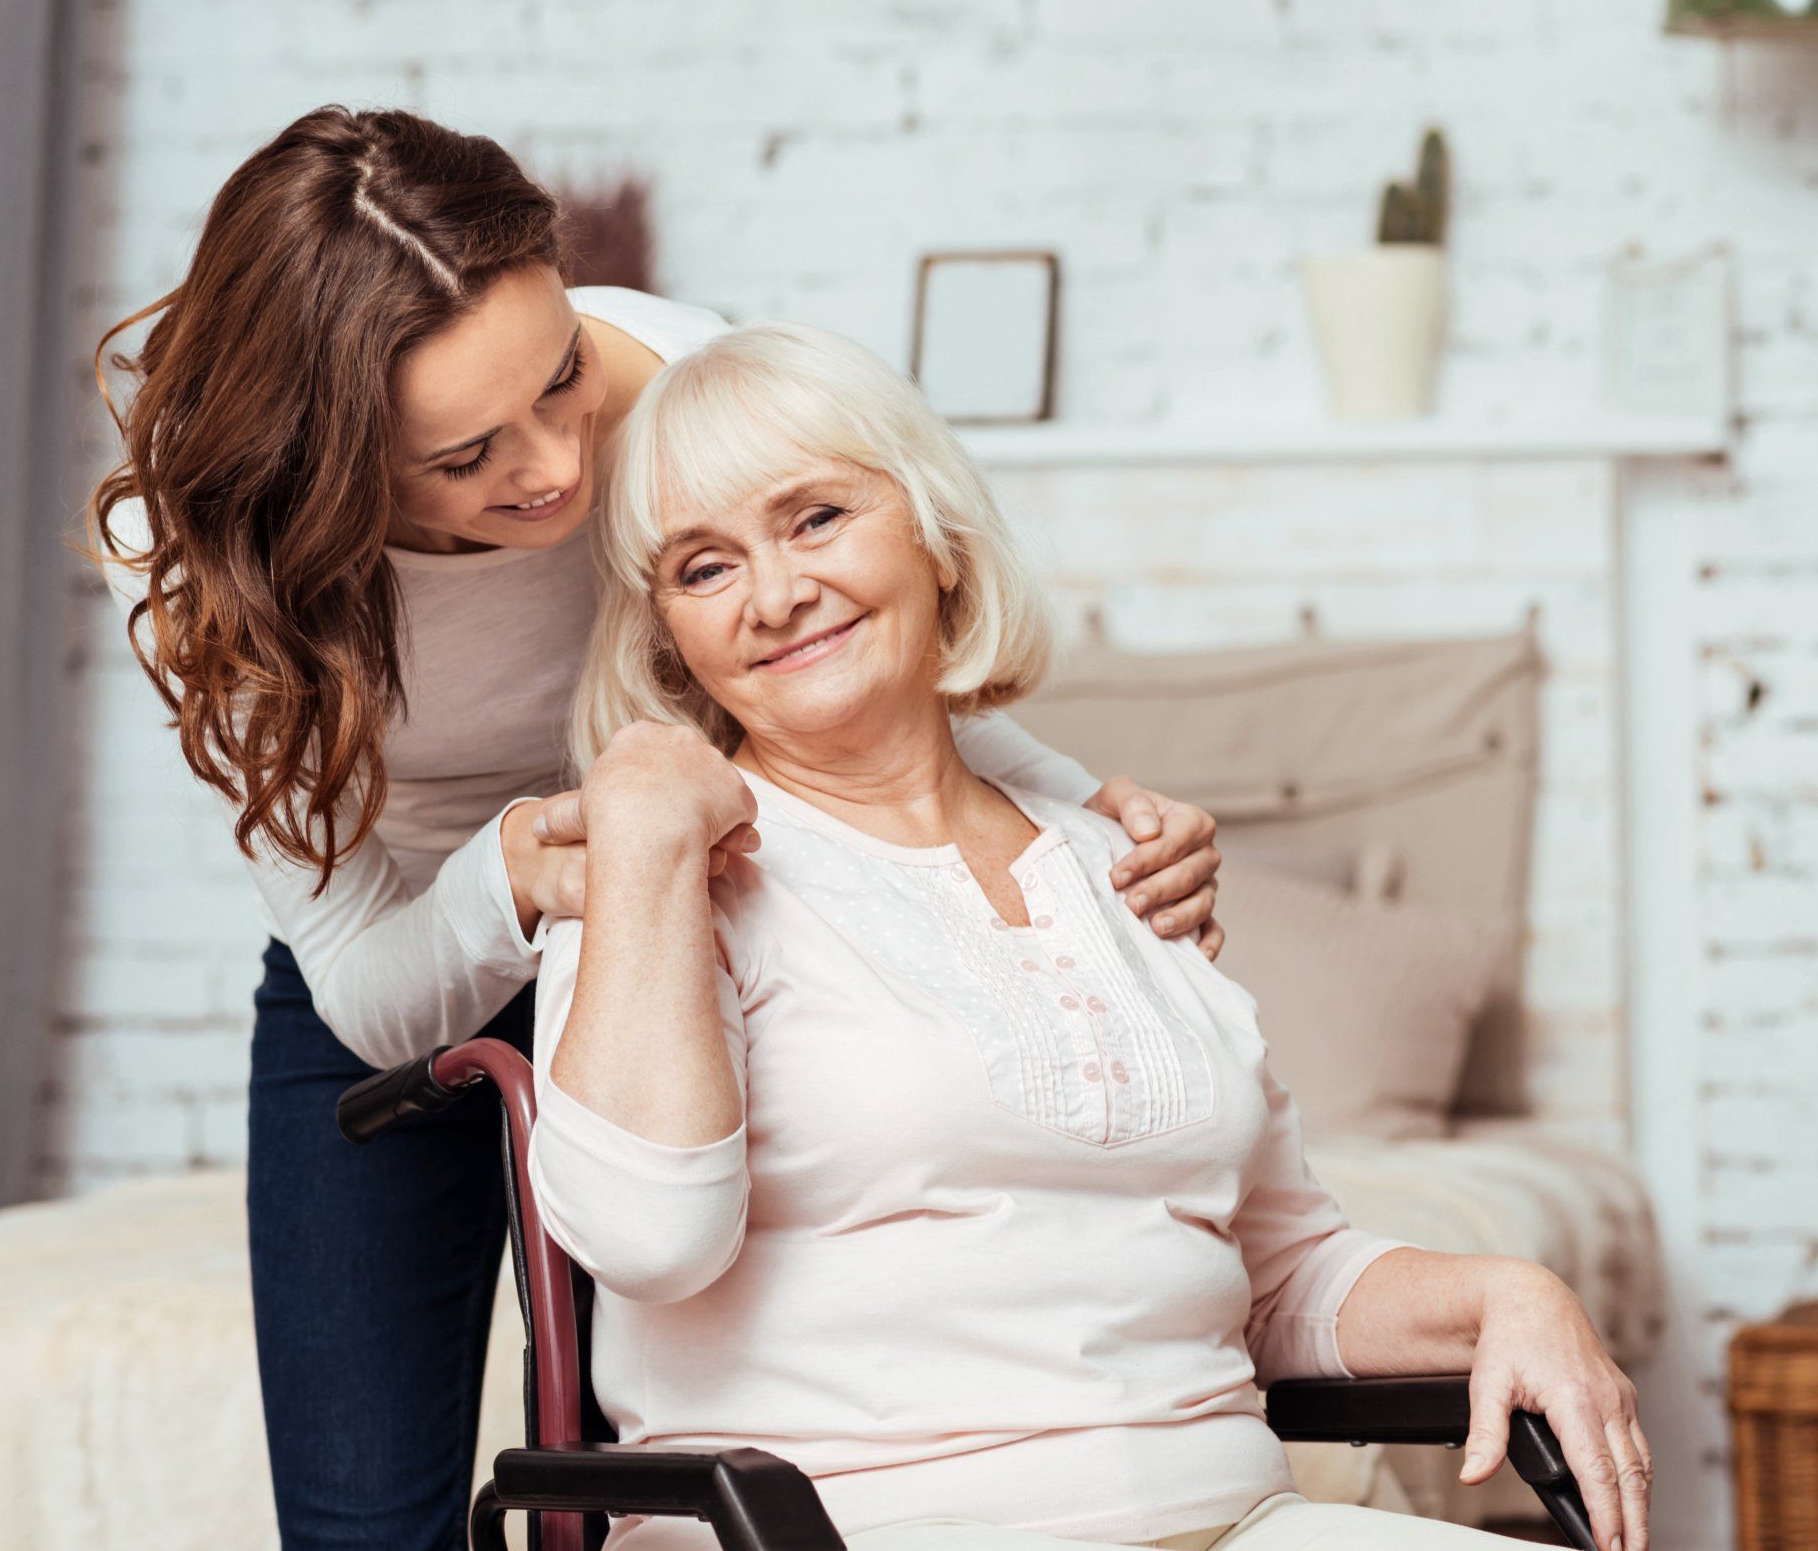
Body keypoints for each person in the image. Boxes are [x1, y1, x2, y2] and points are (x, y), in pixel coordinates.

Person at [90, 105, 1228, 1551]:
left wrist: (1084, 823)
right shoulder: (224, 561)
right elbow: (371, 991)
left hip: (685, 911)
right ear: (328, 462)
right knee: (364, 1523)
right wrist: (505, 875)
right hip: (401, 945)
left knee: (649, 1465)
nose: (558, 469)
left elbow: (851, 667)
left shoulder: (689, 382)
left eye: (561, 377)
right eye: (464, 455)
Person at [531, 322, 1653, 1551]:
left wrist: (1509, 1293)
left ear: (936, 533)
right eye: (703, 569)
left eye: (815, 519)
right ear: (666, 636)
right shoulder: (662, 879)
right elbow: (644, 1242)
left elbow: (1279, 1272)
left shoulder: (1122, 866)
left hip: (1231, 1522)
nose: (777, 594)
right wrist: (641, 822)